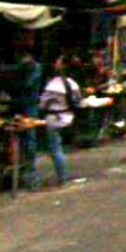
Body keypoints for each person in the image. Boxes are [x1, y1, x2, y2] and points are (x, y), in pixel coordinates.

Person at [39, 55, 81, 186]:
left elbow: (43, 104)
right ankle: (64, 174)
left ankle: (62, 176)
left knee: (55, 149)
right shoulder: (73, 84)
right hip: (68, 117)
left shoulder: (53, 86)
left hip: (54, 119)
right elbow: (78, 101)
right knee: (61, 148)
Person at [9, 50, 42, 189]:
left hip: (29, 105)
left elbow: (27, 84)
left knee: (29, 137)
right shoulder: (22, 68)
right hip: (21, 105)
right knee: (23, 139)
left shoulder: (34, 68)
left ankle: (31, 173)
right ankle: (24, 170)